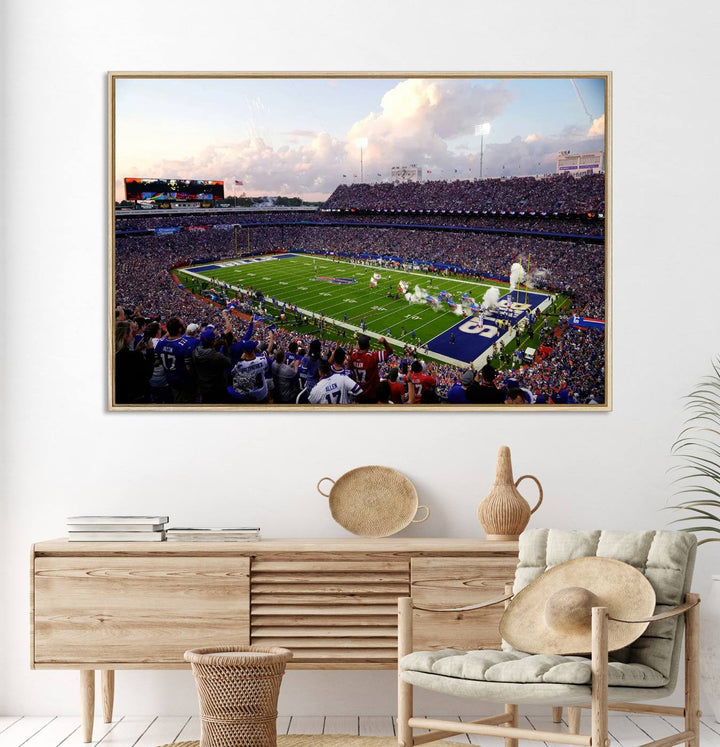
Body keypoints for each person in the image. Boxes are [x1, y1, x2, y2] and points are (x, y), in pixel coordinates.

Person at [154, 317, 197, 403]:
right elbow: (189, 368)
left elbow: (156, 362)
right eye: (183, 324)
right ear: (180, 329)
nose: (185, 325)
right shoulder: (185, 344)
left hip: (167, 379)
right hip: (182, 381)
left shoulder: (160, 343)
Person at [115, 320, 153, 404]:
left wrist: (137, 350)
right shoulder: (132, 356)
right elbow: (148, 373)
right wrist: (150, 350)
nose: (133, 336)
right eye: (131, 333)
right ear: (126, 336)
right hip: (134, 398)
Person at [349, 334, 393, 404]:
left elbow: (356, 350)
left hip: (358, 393)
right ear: (369, 346)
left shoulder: (353, 355)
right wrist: (384, 341)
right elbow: (390, 351)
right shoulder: (372, 356)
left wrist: (358, 340)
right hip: (371, 394)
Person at [192, 328, 231, 404]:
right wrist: (226, 347)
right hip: (217, 389)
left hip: (203, 387)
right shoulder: (217, 356)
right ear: (213, 341)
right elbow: (228, 362)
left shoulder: (195, 352)